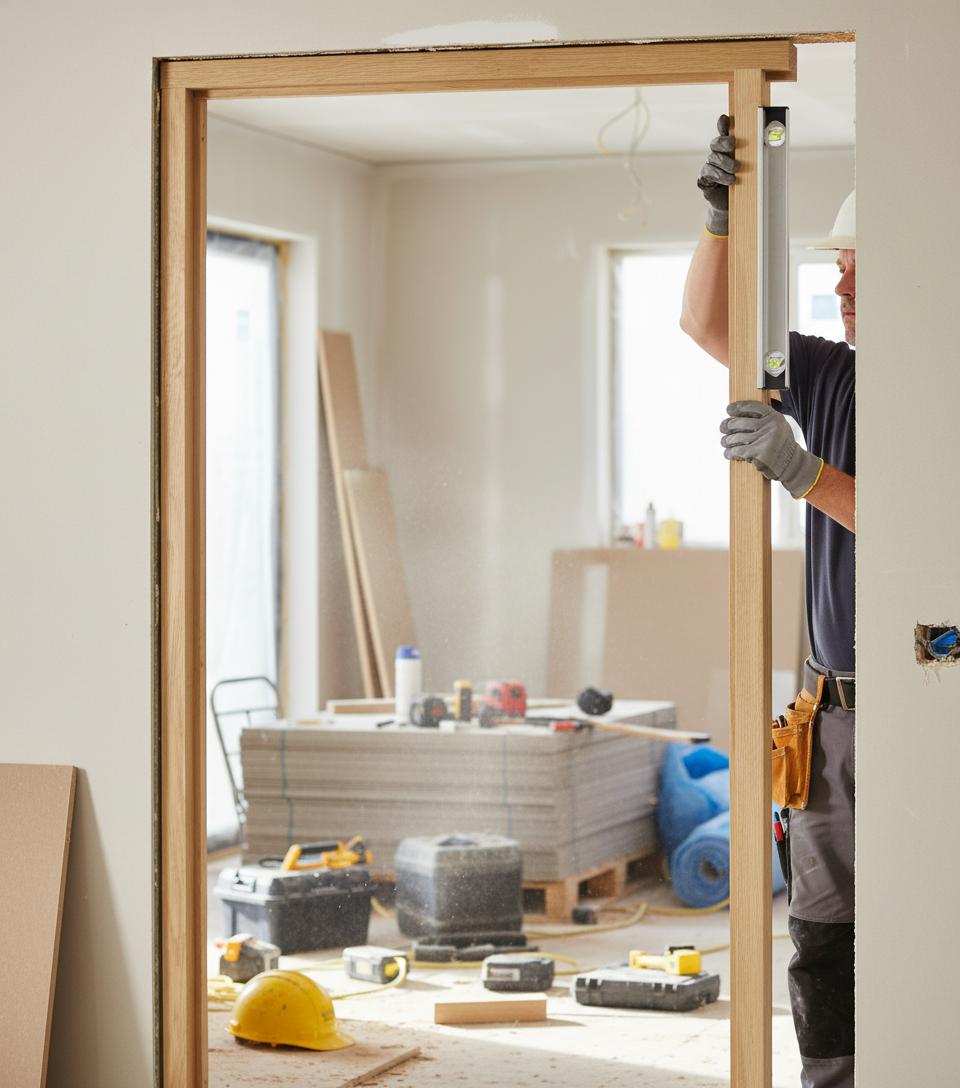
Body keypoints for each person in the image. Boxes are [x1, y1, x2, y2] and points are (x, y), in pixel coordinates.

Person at [680, 115, 856, 1088]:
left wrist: (802, 471)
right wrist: (719, 218)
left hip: (926, 711)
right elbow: (712, 328)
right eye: (836, 266)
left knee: (918, 929)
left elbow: (930, 534)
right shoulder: (828, 375)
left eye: (860, 266)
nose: (841, 285)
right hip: (833, 714)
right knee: (824, 935)